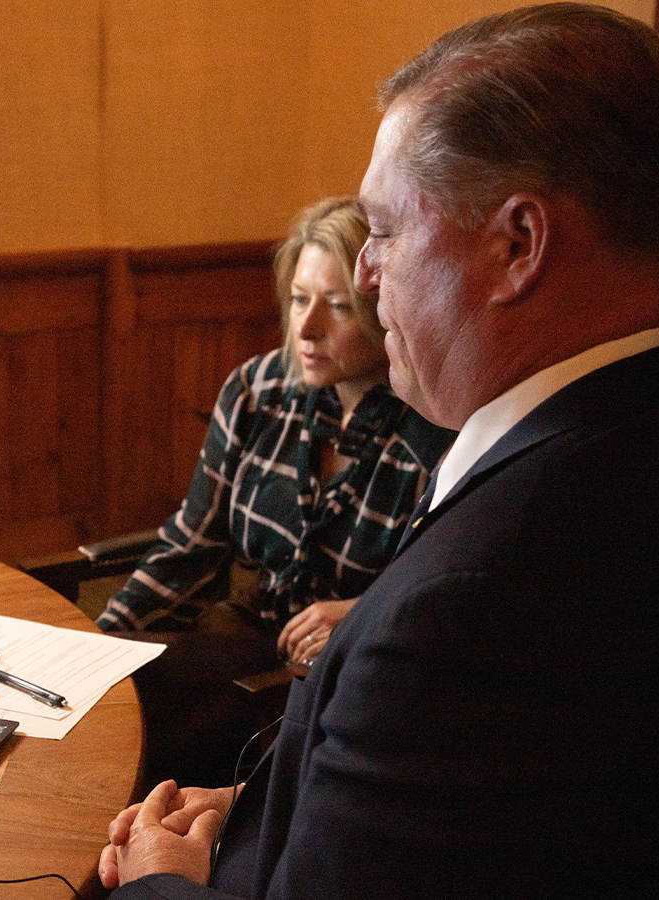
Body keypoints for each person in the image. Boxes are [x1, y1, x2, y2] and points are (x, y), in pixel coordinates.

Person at [99, 5, 659, 898]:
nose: (364, 274)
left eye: (384, 229)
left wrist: (158, 880)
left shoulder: (471, 611)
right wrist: (263, 813)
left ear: (517, 245)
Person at [96, 196, 453, 786]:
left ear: (385, 307)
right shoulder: (258, 390)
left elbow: (442, 601)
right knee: (116, 688)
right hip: (248, 637)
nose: (307, 329)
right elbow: (190, 545)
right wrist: (97, 644)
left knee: (149, 729)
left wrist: (362, 613)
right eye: (298, 299)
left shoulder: (434, 429)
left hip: (353, 683)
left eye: (338, 307)